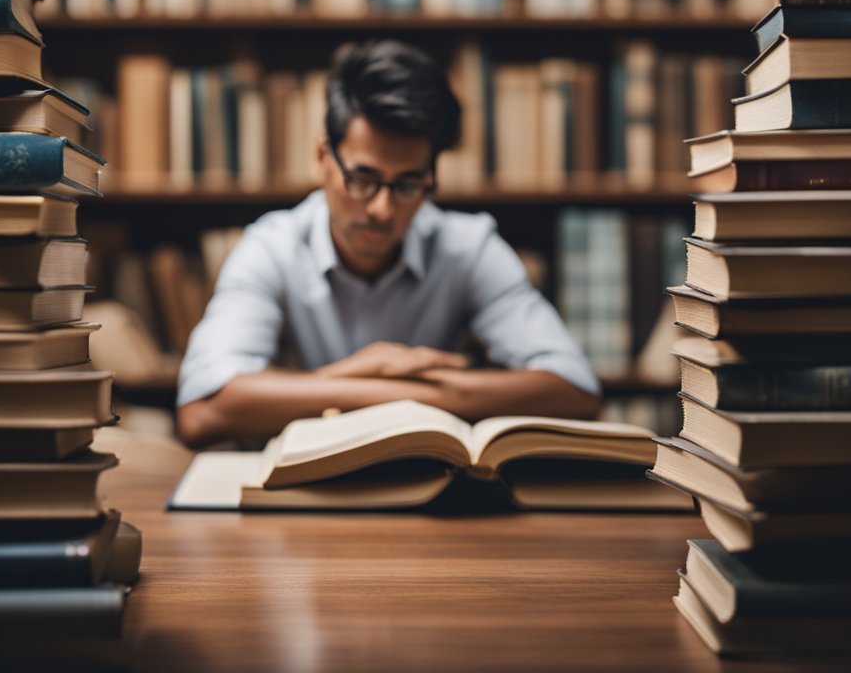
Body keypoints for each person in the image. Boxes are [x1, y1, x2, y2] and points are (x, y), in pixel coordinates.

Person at [176, 40, 600, 446]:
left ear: (431, 177)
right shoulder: (271, 247)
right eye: (363, 180)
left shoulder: (468, 247)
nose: (382, 208)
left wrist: (343, 385)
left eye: (408, 184)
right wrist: (407, 389)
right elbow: (202, 410)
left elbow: (575, 389)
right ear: (322, 157)